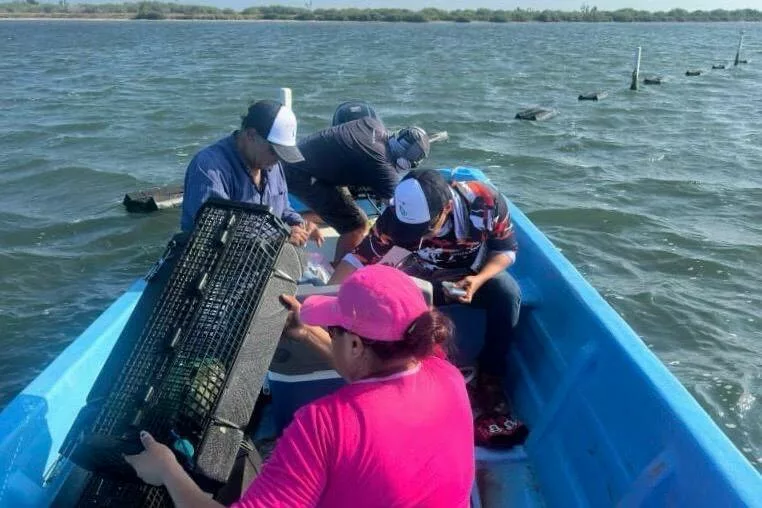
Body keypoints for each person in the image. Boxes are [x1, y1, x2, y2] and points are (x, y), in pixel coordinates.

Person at [125, 265, 475, 507]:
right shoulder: (447, 375)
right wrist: (307, 333)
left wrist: (167, 470)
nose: (331, 336)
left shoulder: (323, 425)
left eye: (334, 331)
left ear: (355, 345)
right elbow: (368, 376)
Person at [331, 169, 526, 448]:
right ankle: (417, 376)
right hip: (421, 275)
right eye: (409, 232)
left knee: (508, 294)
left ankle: (490, 376)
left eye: (424, 230)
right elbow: (359, 259)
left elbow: (506, 251)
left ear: (446, 208)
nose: (417, 239)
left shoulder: (484, 202)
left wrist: (478, 280)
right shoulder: (393, 217)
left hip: (472, 274)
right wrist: (326, 297)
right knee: (391, 303)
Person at [283, 116, 430, 263]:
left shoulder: (372, 123)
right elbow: (402, 211)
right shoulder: (382, 166)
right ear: (406, 163)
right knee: (357, 225)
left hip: (293, 160)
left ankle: (304, 219)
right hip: (300, 175)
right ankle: (339, 273)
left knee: (346, 209)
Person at [181, 99, 322, 247]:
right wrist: (280, 236)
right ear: (250, 135)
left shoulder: (271, 162)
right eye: (274, 151)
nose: (278, 159)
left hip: (265, 255)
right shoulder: (209, 167)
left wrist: (299, 224)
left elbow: (283, 208)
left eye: (283, 154)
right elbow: (212, 230)